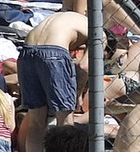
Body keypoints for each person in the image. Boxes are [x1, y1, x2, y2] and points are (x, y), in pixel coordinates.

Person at [18, 12, 88, 152]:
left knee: (35, 121)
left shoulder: (65, 17)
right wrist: (77, 95)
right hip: (54, 52)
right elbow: (84, 66)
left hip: (26, 51)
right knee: (65, 122)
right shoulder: (100, 34)